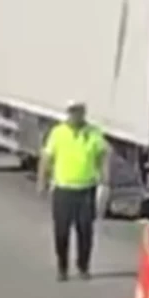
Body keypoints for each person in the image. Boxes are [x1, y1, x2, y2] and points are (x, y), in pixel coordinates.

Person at [38, 101, 109, 280]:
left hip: (86, 190)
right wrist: (42, 181)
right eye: (72, 112)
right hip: (63, 190)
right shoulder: (58, 133)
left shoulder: (93, 133)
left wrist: (105, 178)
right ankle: (62, 267)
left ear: (83, 113)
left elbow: (103, 155)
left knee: (85, 231)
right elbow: (46, 158)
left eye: (78, 112)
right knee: (61, 232)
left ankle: (83, 266)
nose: (75, 116)